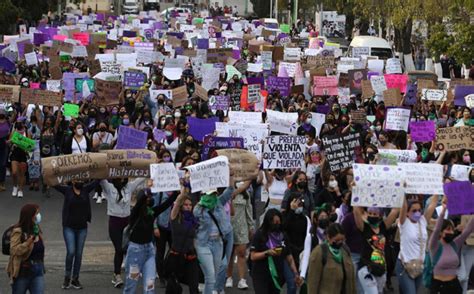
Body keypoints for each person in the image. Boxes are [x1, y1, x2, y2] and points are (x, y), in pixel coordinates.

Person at [123, 186, 177, 293]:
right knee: (131, 284)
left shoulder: (152, 212)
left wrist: (176, 191)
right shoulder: (135, 213)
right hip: (135, 253)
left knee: (149, 285)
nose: (150, 200)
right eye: (148, 198)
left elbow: (166, 204)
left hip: (149, 252)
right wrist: (149, 189)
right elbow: (140, 203)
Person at [100, 177, 146, 288]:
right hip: (114, 223)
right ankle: (117, 275)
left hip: (127, 223)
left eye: (124, 177)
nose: (122, 179)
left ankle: (132, 271)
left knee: (129, 248)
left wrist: (149, 167)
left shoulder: (129, 187)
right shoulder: (109, 187)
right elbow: (101, 178)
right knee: (119, 249)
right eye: (119, 177)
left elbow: (141, 178)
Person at [54, 180, 99, 289]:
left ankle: (75, 278)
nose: (80, 181)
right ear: (73, 181)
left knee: (78, 254)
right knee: (71, 252)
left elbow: (98, 180)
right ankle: (67, 277)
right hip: (69, 227)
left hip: (82, 227)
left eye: (81, 179)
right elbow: (53, 183)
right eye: (77, 179)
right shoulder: (67, 190)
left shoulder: (85, 189)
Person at [249, 208, 303, 293]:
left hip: (277, 275)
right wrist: (267, 253)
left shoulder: (283, 236)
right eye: (274, 222)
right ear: (268, 222)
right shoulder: (260, 234)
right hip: (261, 274)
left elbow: (289, 257)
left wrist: (296, 273)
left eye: (278, 222)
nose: (276, 224)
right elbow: (253, 256)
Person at [193, 186, 234, 294]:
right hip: (203, 244)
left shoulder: (219, 203)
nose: (213, 196)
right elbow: (193, 226)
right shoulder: (198, 209)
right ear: (204, 195)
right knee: (210, 276)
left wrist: (231, 177)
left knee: (213, 276)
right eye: (210, 194)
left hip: (218, 243)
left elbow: (229, 191)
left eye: (214, 194)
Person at [429, 198, 474, 293]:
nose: (451, 232)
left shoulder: (455, 244)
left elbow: (468, 230)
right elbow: (436, 229)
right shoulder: (435, 246)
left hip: (454, 285)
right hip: (439, 287)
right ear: (441, 232)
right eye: (448, 229)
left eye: (452, 230)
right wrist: (443, 210)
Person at [396, 195, 438, 294]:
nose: (417, 213)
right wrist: (403, 191)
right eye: (414, 211)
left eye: (419, 210)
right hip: (405, 266)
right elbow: (404, 206)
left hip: (419, 266)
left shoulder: (423, 221)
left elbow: (433, 204)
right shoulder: (403, 223)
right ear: (407, 213)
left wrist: (438, 187)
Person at [353, 205, 400, 294]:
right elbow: (356, 212)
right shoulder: (364, 227)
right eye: (370, 213)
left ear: (380, 215)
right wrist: (357, 195)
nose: (372, 216)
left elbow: (395, 211)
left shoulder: (383, 226)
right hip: (366, 267)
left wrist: (399, 193)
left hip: (381, 268)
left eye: (375, 214)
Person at [307, 223, 356, 294]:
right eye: (337, 240)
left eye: (342, 240)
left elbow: (352, 280)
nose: (340, 242)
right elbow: (313, 282)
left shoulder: (345, 251)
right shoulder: (319, 252)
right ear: (328, 237)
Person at [166, 190, 199, 294]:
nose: (188, 207)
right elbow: (177, 202)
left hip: (190, 256)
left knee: (194, 285)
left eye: (190, 205)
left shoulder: (194, 220)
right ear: (181, 206)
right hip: (176, 256)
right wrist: (185, 189)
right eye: (185, 205)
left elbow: (194, 238)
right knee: (174, 288)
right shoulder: (175, 217)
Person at [7, 204, 45, 294]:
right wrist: (28, 243)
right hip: (23, 271)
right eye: (37, 213)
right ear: (30, 215)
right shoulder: (18, 231)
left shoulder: (36, 228)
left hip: (38, 270)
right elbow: (14, 250)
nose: (38, 216)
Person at [225, 181, 254, 290]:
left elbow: (249, 210)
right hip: (228, 226)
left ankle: (242, 280)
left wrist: (251, 226)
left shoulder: (246, 195)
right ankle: (229, 277)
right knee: (229, 254)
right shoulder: (226, 193)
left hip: (241, 227)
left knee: (241, 253)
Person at [9, 119, 30, 198]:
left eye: (20, 123)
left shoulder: (27, 132)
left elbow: (30, 145)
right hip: (15, 153)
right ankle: (15, 186)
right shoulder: (14, 132)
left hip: (23, 154)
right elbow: (10, 142)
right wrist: (10, 141)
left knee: (22, 173)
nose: (19, 124)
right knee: (14, 172)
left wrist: (27, 147)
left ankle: (20, 189)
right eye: (18, 122)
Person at [0, 109, 10, 191]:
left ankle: (2, 183)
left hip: (5, 144)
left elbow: (11, 133)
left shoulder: (8, 122)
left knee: (3, 164)